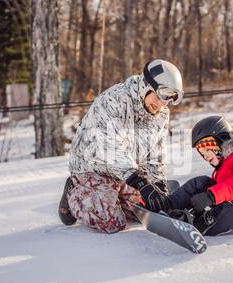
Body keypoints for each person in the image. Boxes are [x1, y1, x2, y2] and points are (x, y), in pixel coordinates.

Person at [58, 59, 184, 233]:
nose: (163, 103)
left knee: (146, 209)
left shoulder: (161, 114)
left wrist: (158, 185)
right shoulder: (115, 100)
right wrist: (141, 183)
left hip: (126, 174)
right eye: (161, 95)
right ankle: (75, 193)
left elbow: (155, 154)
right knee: (112, 221)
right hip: (92, 168)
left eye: (169, 99)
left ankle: (113, 195)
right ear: (145, 85)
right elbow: (110, 148)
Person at [164, 115, 233, 236]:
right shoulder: (223, 164)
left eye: (207, 149)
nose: (205, 156)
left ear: (222, 141)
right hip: (232, 200)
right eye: (201, 153)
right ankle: (167, 206)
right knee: (201, 182)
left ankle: (192, 226)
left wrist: (211, 197)